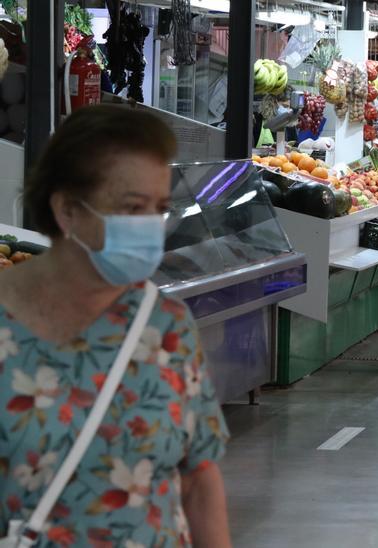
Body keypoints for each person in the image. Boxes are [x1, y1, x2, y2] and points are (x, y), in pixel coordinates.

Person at [0, 105, 231, 545]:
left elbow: (200, 477)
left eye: (159, 208)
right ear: (68, 211)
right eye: (132, 207)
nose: (150, 226)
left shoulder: (168, 328)